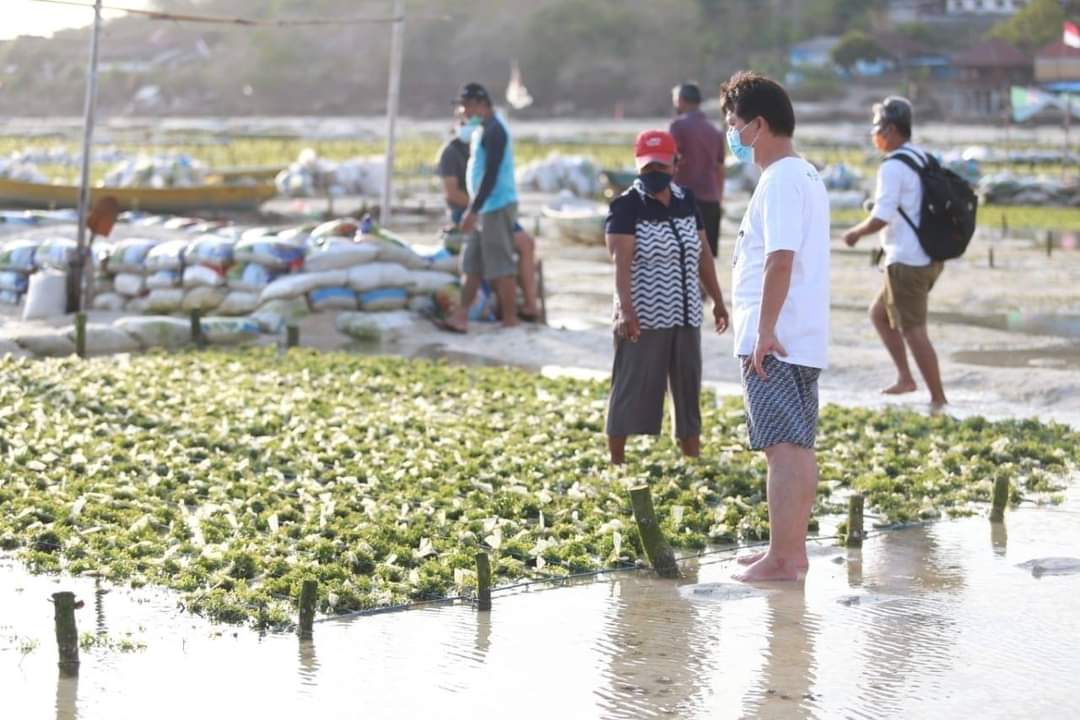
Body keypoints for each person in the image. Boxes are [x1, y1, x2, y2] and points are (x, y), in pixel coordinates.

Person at [720, 72, 831, 582]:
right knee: (794, 445)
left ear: (758, 125)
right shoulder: (803, 174)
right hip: (799, 336)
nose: (732, 134)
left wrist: (763, 330)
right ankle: (787, 549)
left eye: (733, 123)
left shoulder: (783, 178)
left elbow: (779, 259)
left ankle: (785, 559)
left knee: (781, 449)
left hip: (777, 338)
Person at [604, 129, 729, 466]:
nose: (654, 174)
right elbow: (621, 264)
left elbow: (703, 255)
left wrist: (718, 300)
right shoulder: (625, 206)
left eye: (661, 166)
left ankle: (692, 457)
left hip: (687, 313)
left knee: (688, 387)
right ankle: (617, 460)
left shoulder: (687, 201)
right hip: (642, 314)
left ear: (676, 163)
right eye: (647, 168)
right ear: (638, 166)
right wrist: (625, 311)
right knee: (632, 384)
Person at [842, 97, 947, 408]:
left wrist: (855, 233)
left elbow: (882, 216)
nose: (875, 137)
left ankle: (938, 398)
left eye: (878, 129)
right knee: (879, 315)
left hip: (906, 260)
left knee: (914, 330)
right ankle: (905, 378)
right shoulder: (922, 157)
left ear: (890, 129)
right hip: (929, 256)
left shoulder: (892, 166)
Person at [435, 112, 541, 321]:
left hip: (490, 209)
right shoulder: (450, 153)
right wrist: (477, 208)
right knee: (494, 263)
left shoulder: (487, 144)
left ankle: (530, 305)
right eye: (463, 122)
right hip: (470, 213)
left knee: (526, 245)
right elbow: (452, 193)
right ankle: (506, 316)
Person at [670, 82, 725, 258]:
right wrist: (719, 198)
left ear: (681, 100)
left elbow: (669, 161)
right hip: (711, 200)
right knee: (706, 260)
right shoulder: (714, 130)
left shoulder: (677, 126)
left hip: (684, 200)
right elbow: (720, 168)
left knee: (683, 258)